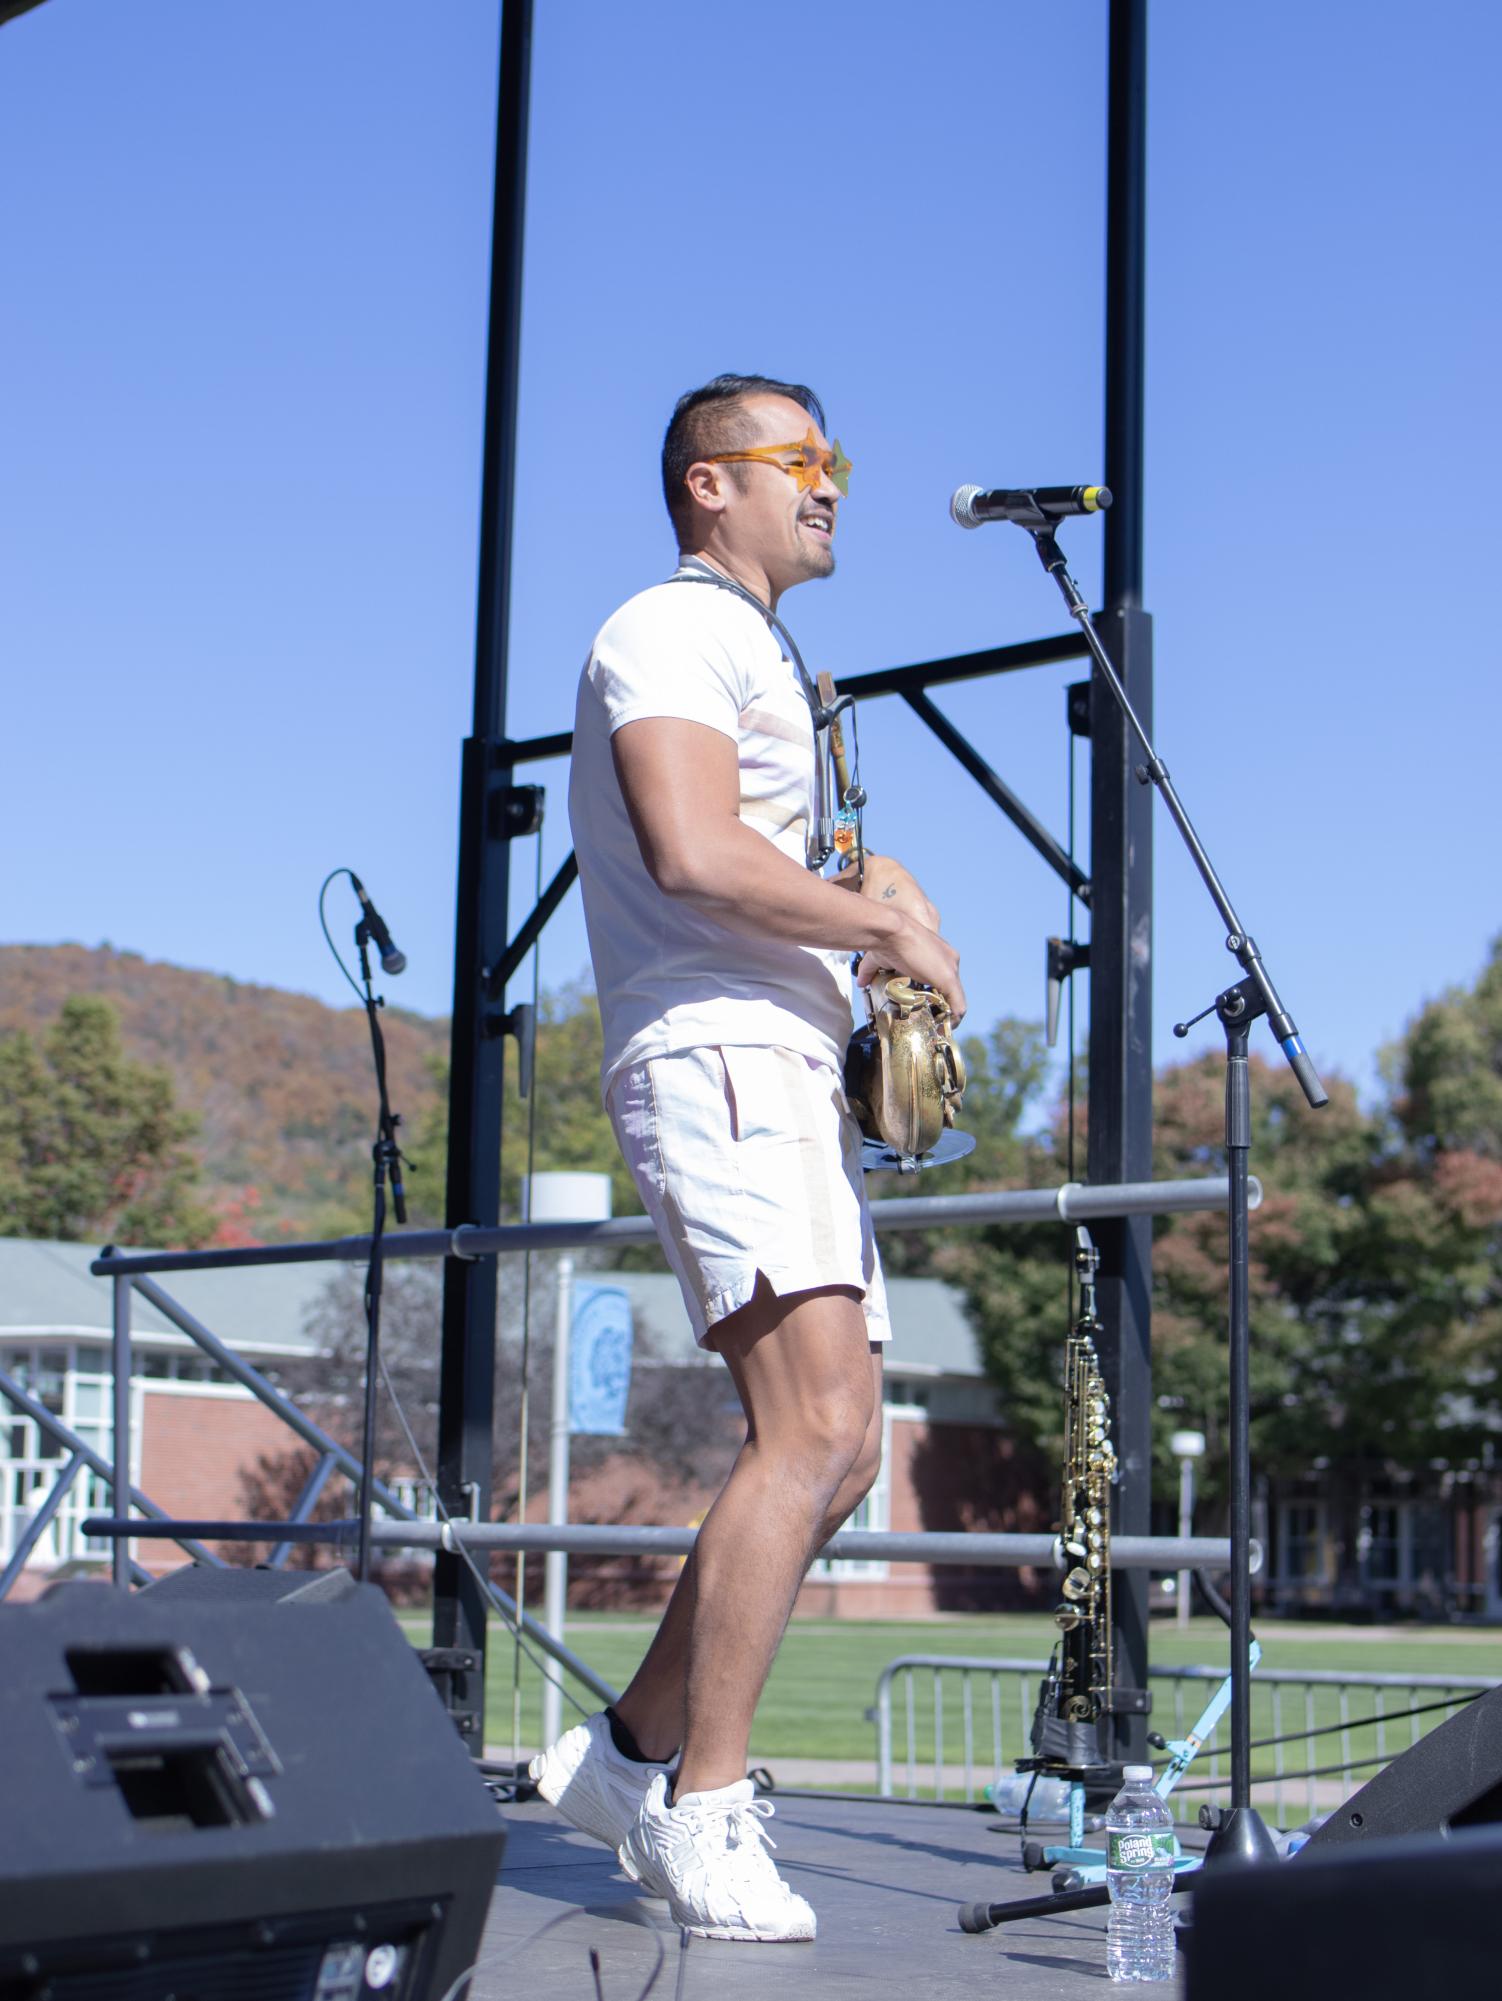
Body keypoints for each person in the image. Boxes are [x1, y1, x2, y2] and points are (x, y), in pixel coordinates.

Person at [530, 373, 965, 1942]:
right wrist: (885, 921)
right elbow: (690, 851)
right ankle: (702, 1808)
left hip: (773, 1058)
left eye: (834, 457)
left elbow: (754, 855)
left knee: (840, 1449)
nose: (832, 481)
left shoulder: (761, 649)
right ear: (710, 483)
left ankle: (629, 1754)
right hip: (714, 1053)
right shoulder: (669, 627)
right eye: (802, 458)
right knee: (818, 1425)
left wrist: (861, 907)